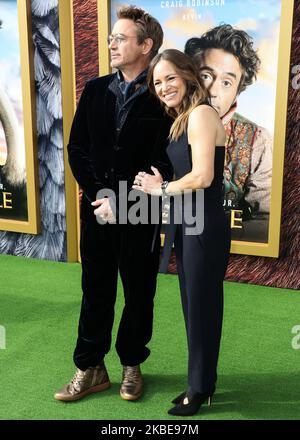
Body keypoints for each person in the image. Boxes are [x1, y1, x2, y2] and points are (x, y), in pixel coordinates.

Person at [54, 6, 172, 402]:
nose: (111, 44)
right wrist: (101, 196)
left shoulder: (166, 98)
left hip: (141, 213)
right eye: (111, 38)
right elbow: (77, 149)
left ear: (146, 45)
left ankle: (132, 365)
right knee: (95, 289)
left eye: (120, 38)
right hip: (98, 212)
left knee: (140, 292)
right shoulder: (95, 89)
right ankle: (90, 367)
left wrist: (124, 202)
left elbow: (166, 161)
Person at [132, 49, 231, 416]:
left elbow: (204, 176)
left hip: (203, 226)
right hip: (190, 224)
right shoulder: (183, 118)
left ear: (189, 76)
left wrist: (162, 189)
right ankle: (201, 381)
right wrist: (165, 183)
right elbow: (189, 175)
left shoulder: (202, 114)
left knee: (202, 309)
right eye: (157, 82)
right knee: (195, 309)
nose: (163, 87)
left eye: (170, 78)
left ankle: (200, 387)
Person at [185, 25, 272, 242]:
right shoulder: (159, 127)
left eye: (226, 82)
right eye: (205, 75)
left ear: (237, 91)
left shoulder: (257, 140)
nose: (213, 90)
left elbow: (265, 222)